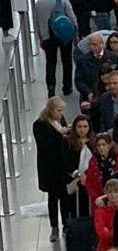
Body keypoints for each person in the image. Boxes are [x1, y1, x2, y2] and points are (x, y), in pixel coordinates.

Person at [34, 97, 75, 242]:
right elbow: (45, 145)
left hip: (62, 165)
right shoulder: (39, 125)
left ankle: (65, 223)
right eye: (58, 110)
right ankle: (54, 226)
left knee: (65, 196)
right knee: (53, 198)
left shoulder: (61, 120)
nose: (60, 113)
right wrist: (60, 134)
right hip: (49, 167)